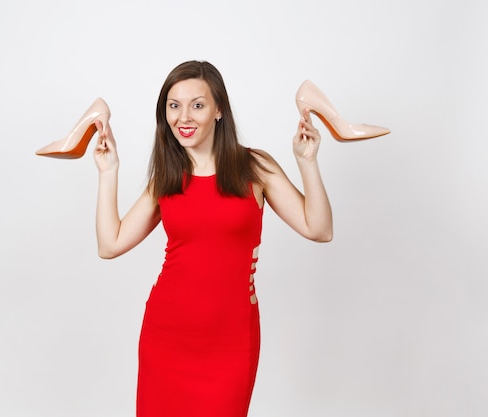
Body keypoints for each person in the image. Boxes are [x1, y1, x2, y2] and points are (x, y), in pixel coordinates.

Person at [92, 60, 333, 417]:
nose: (183, 117)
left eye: (197, 105)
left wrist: (307, 162)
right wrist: (108, 172)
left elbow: (319, 228)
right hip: (167, 335)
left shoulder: (255, 167)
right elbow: (110, 244)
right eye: (174, 105)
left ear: (219, 109)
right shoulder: (167, 178)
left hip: (232, 340)